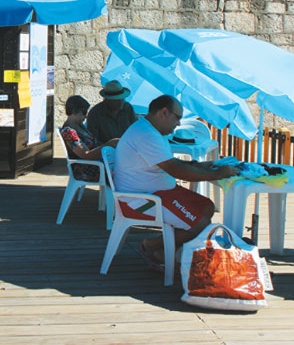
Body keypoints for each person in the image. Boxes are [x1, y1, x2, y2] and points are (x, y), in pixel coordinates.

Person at [114, 95, 239, 269]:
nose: (178, 124)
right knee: (200, 224)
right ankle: (153, 247)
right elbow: (176, 170)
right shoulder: (146, 135)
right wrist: (218, 173)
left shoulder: (151, 130)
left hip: (158, 192)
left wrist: (199, 166)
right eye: (178, 117)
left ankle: (162, 251)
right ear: (164, 113)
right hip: (141, 200)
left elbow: (172, 163)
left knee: (206, 206)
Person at [60, 95, 119, 183]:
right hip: (85, 168)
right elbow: (86, 155)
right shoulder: (69, 132)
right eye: (84, 112)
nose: (86, 116)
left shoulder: (79, 126)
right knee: (122, 169)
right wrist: (109, 144)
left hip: (95, 163)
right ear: (74, 111)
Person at [86, 80, 137, 144]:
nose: (121, 101)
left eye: (122, 98)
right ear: (108, 100)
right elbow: (93, 139)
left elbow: (136, 130)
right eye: (117, 99)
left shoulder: (128, 108)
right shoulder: (95, 113)